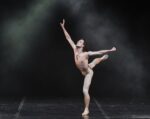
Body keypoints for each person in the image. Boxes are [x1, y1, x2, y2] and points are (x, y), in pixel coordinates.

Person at [60, 19, 116, 116]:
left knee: (85, 90)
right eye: (78, 40)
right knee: (93, 63)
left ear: (82, 45)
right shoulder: (74, 48)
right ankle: (102, 59)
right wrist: (63, 27)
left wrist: (110, 50)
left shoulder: (86, 53)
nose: (78, 41)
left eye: (81, 41)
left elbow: (99, 51)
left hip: (88, 73)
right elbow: (68, 38)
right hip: (83, 69)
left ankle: (86, 109)